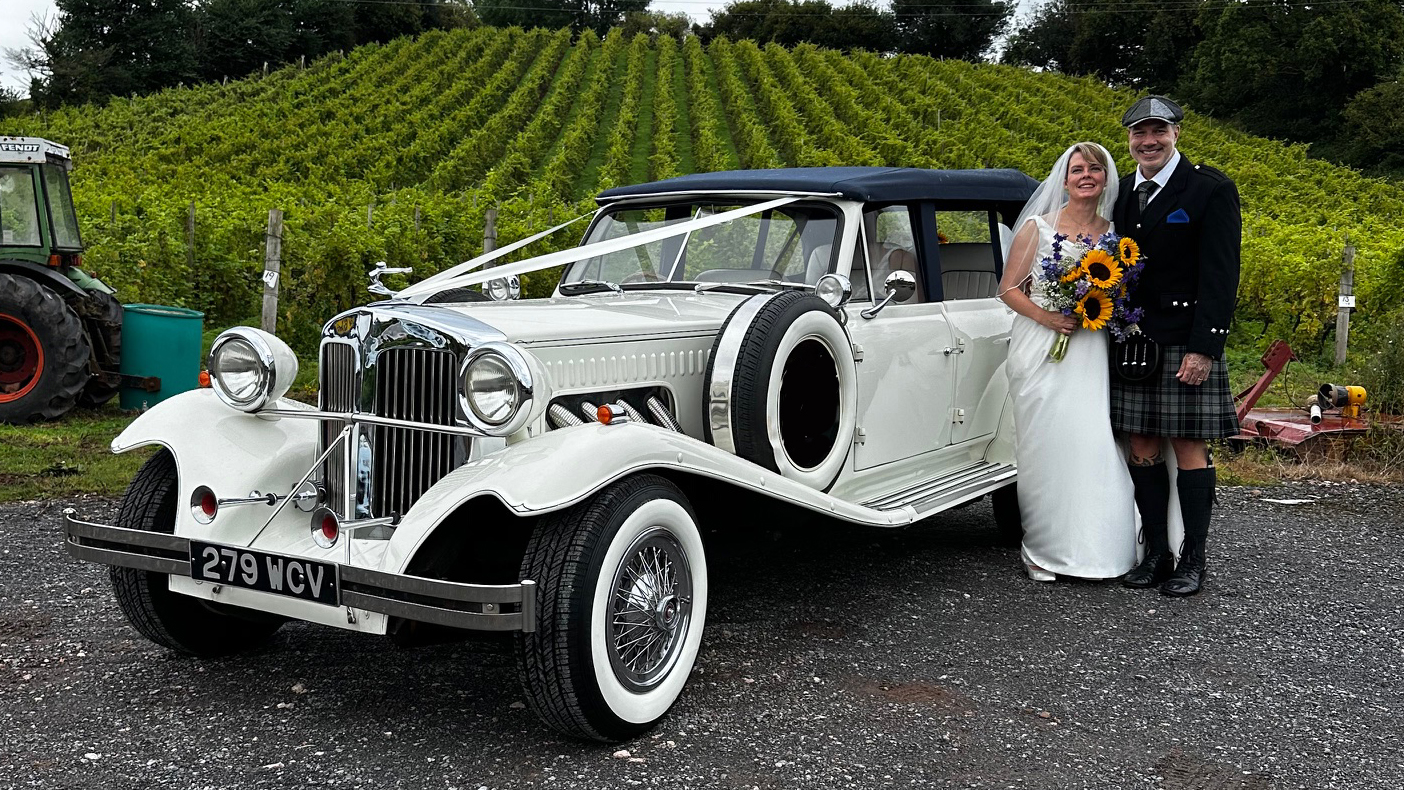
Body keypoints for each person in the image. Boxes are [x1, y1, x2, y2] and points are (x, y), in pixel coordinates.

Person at [1111, 96, 1242, 597]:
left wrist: (1204, 347)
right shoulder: (1121, 193)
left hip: (1185, 341)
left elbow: (1220, 274)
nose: (1149, 141)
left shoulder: (1209, 188)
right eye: (1139, 133)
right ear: (1129, 140)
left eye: (1158, 132)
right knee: (1141, 445)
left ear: (1176, 134)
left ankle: (1194, 558)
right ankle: (1158, 554)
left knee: (1189, 446)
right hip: (1131, 343)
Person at [998, 143, 1138, 582]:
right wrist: (1049, 317)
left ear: (1105, 178)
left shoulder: (1114, 233)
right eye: (1078, 169)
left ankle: (1100, 545)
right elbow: (1008, 290)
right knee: (1045, 447)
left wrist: (1104, 305)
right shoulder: (1038, 228)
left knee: (1092, 443)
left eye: (1095, 169)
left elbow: (1122, 288)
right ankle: (1040, 548)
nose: (1086, 176)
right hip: (1040, 346)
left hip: (1090, 349)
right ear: (1064, 179)